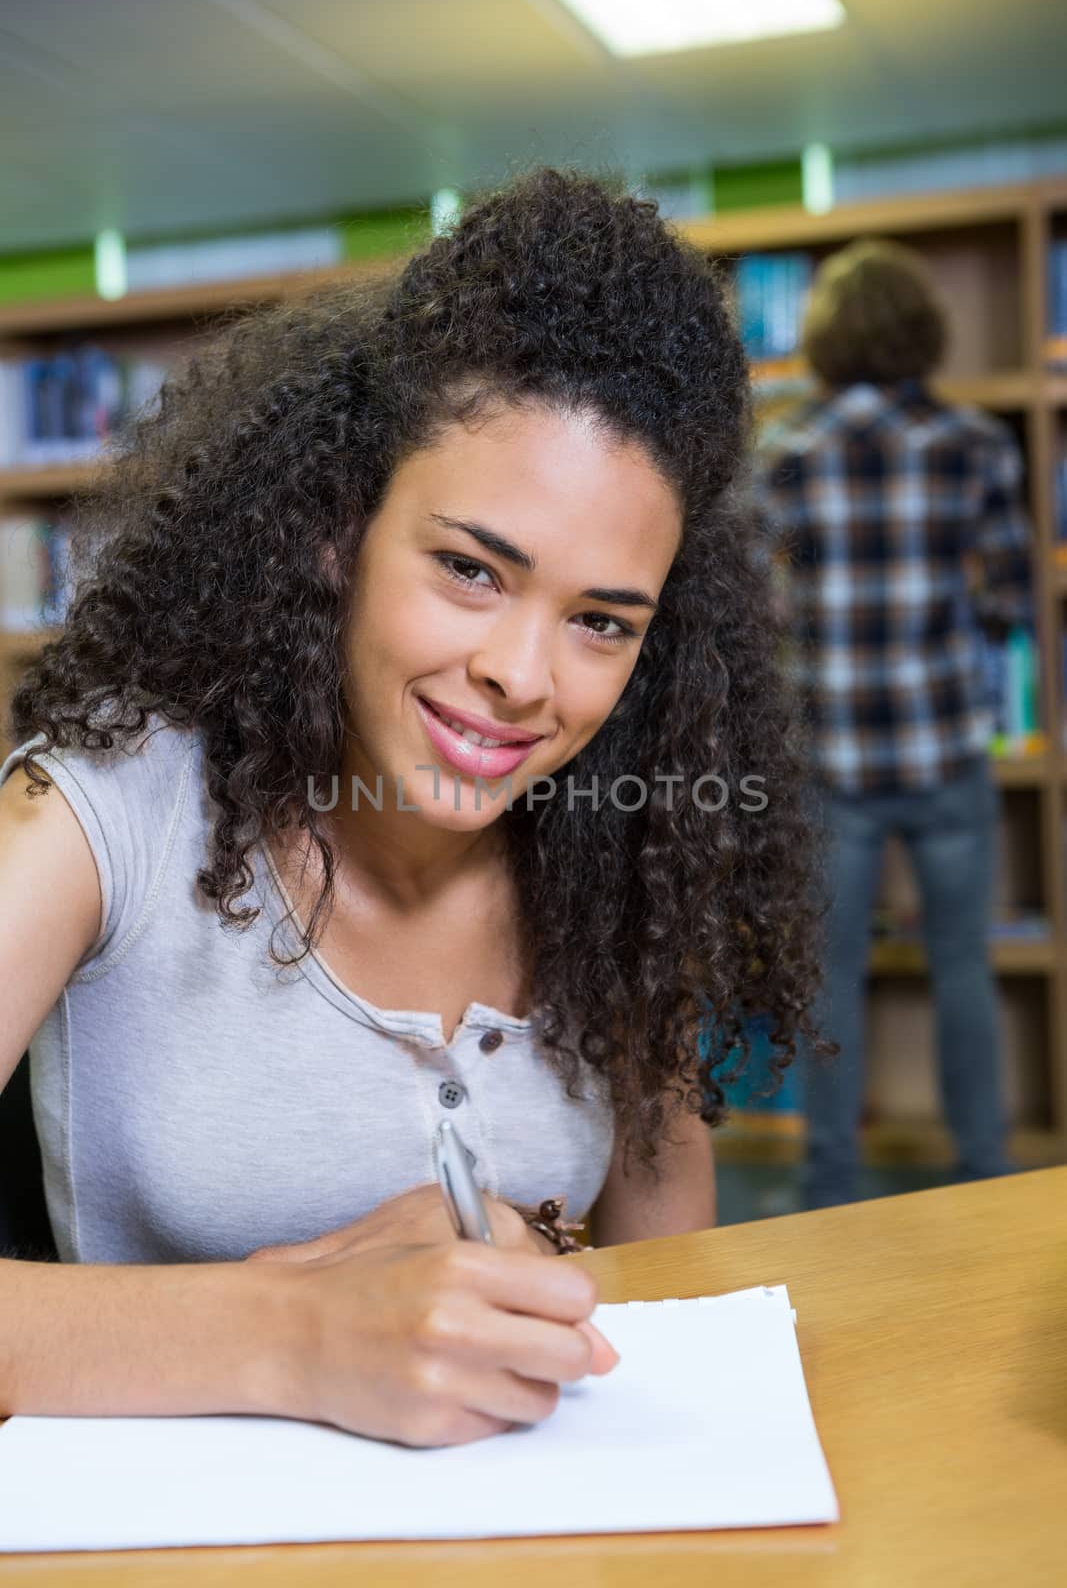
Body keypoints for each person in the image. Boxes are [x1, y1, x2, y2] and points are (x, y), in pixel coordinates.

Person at [0, 168, 824, 1447]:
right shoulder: (101, 814)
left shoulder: (622, 850)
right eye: (468, 568)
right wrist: (301, 1329)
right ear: (337, 528)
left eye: (601, 621)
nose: (523, 677)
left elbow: (669, 1299)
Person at [752, 238, 1032, 1210]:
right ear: (923, 332)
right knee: (961, 963)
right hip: (943, 746)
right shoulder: (975, 446)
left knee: (827, 977)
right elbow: (1007, 600)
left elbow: (753, 609)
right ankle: (985, 1174)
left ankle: (826, 1183)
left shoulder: (780, 450)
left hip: (824, 755)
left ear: (823, 338)